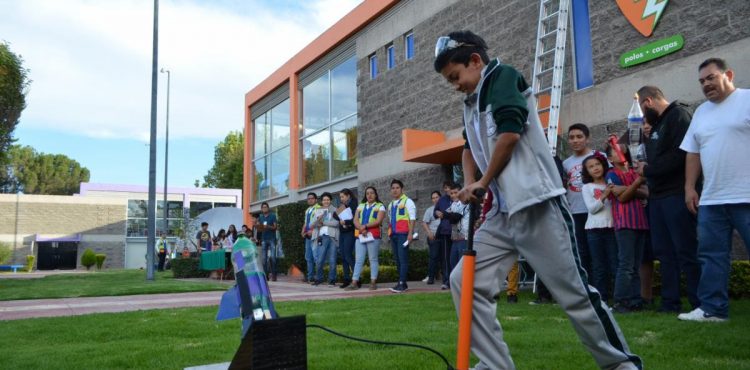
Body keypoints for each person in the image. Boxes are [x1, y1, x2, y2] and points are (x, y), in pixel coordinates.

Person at [434, 30, 640, 370]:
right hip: (501, 214)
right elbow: (468, 147)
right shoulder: (469, 103)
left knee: (573, 294)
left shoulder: (502, 77)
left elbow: (510, 134)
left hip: (538, 204)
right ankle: (495, 364)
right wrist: (470, 183)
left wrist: (483, 182)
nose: (455, 85)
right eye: (449, 81)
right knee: (464, 282)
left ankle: (620, 364)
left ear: (474, 61)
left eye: (455, 77)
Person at [678, 58, 750, 322]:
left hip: (746, 195)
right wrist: (689, 188)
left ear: (728, 74)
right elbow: (693, 153)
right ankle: (713, 310)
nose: (706, 84)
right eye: (701, 81)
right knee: (711, 256)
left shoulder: (747, 99)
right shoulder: (700, 113)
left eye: (710, 77)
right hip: (712, 199)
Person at [634, 85, 701, 313]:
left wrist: (648, 170)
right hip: (657, 197)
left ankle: (699, 302)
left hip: (676, 194)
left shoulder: (678, 115)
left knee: (686, 250)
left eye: (643, 111)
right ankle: (670, 302)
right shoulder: (657, 125)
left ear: (648, 102)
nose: (644, 116)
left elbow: (683, 155)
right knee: (664, 252)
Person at [605, 142, 649, 313]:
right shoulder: (611, 174)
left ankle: (635, 300)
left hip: (640, 222)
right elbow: (620, 198)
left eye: (621, 147)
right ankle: (621, 301)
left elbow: (645, 193)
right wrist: (637, 183)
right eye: (615, 150)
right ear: (609, 158)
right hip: (624, 223)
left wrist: (628, 188)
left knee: (635, 265)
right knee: (626, 264)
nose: (620, 150)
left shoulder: (634, 172)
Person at [563, 123, 601, 276]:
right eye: (571, 137)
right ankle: (587, 286)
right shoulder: (566, 163)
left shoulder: (599, 157)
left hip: (597, 211)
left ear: (587, 139)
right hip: (575, 211)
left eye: (579, 137)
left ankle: (603, 289)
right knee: (581, 252)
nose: (575, 140)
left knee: (598, 253)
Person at [581, 153, 618, 303]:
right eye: (590, 167)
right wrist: (604, 195)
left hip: (612, 228)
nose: (595, 168)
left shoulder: (613, 183)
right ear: (587, 171)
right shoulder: (587, 187)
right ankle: (601, 299)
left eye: (597, 164)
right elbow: (592, 208)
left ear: (604, 165)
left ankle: (618, 298)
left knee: (615, 263)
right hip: (594, 230)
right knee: (599, 266)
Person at [347, 186, 385, 291]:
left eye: (372, 193)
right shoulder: (360, 206)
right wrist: (361, 228)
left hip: (373, 235)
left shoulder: (380, 206)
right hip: (361, 234)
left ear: (376, 194)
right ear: (365, 195)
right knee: (358, 260)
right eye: (367, 193)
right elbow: (355, 220)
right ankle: (354, 282)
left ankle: (373, 282)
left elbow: (378, 221)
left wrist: (365, 226)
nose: (369, 195)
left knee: (373, 259)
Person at [387, 179, 417, 293]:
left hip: (403, 234)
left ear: (402, 189)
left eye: (397, 188)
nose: (395, 190)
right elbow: (390, 220)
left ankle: (402, 284)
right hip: (394, 235)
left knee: (403, 259)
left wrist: (410, 233)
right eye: (393, 188)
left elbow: (412, 218)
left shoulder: (407, 201)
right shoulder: (390, 204)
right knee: (398, 260)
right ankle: (402, 282)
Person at [312, 193, 339, 286]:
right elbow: (313, 224)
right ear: (321, 201)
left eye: (327, 199)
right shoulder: (318, 210)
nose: (326, 201)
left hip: (332, 237)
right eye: (324, 200)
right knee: (319, 259)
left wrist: (323, 222)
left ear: (330, 200)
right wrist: (318, 221)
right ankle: (319, 278)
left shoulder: (335, 210)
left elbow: (336, 223)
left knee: (332, 259)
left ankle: (332, 280)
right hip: (322, 237)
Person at [433, 181, 454, 289]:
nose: (447, 190)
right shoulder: (442, 200)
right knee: (446, 258)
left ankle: (456, 281)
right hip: (445, 232)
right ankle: (446, 281)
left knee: (455, 258)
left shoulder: (457, 197)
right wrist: (436, 212)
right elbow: (435, 211)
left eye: (449, 187)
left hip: (458, 233)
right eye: (445, 188)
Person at [445, 183, 469, 275]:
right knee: (453, 263)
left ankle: (464, 287)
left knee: (462, 265)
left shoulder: (465, 202)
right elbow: (444, 214)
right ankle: (458, 286)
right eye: (451, 193)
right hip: (455, 238)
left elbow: (455, 218)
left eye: (456, 192)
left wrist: (446, 215)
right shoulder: (453, 204)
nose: (454, 195)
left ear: (461, 192)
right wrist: (446, 215)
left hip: (464, 238)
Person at [338, 189, 358, 288]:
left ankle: (356, 279)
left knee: (348, 255)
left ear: (348, 196)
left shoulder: (354, 204)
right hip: (342, 233)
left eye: (343, 197)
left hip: (350, 232)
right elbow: (335, 215)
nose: (341, 199)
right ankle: (346, 279)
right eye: (340, 197)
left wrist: (345, 222)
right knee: (343, 256)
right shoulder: (343, 206)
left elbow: (355, 219)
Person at [421, 191, 442, 285]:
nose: (435, 199)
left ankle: (445, 277)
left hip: (445, 236)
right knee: (433, 257)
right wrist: (429, 233)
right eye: (433, 198)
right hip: (433, 236)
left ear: (440, 198)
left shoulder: (445, 208)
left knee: (444, 258)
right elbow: (424, 222)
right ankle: (431, 277)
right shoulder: (430, 210)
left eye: (437, 197)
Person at [301, 193, 320, 283]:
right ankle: (310, 277)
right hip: (307, 236)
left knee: (316, 256)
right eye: (308, 199)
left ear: (316, 199)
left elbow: (320, 222)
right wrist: (303, 231)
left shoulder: (319, 208)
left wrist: (312, 231)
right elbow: (306, 222)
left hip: (315, 235)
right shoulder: (308, 210)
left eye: (312, 198)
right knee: (308, 257)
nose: (310, 200)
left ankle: (318, 277)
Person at [258, 202, 279, 281]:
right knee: (264, 259)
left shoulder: (273, 216)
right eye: (263, 207)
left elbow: (275, 227)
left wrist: (268, 226)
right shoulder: (261, 217)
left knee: (273, 257)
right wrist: (258, 226)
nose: (264, 208)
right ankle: (265, 276)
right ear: (261, 209)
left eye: (265, 207)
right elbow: (260, 228)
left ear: (268, 208)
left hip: (272, 239)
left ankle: (274, 275)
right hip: (264, 239)